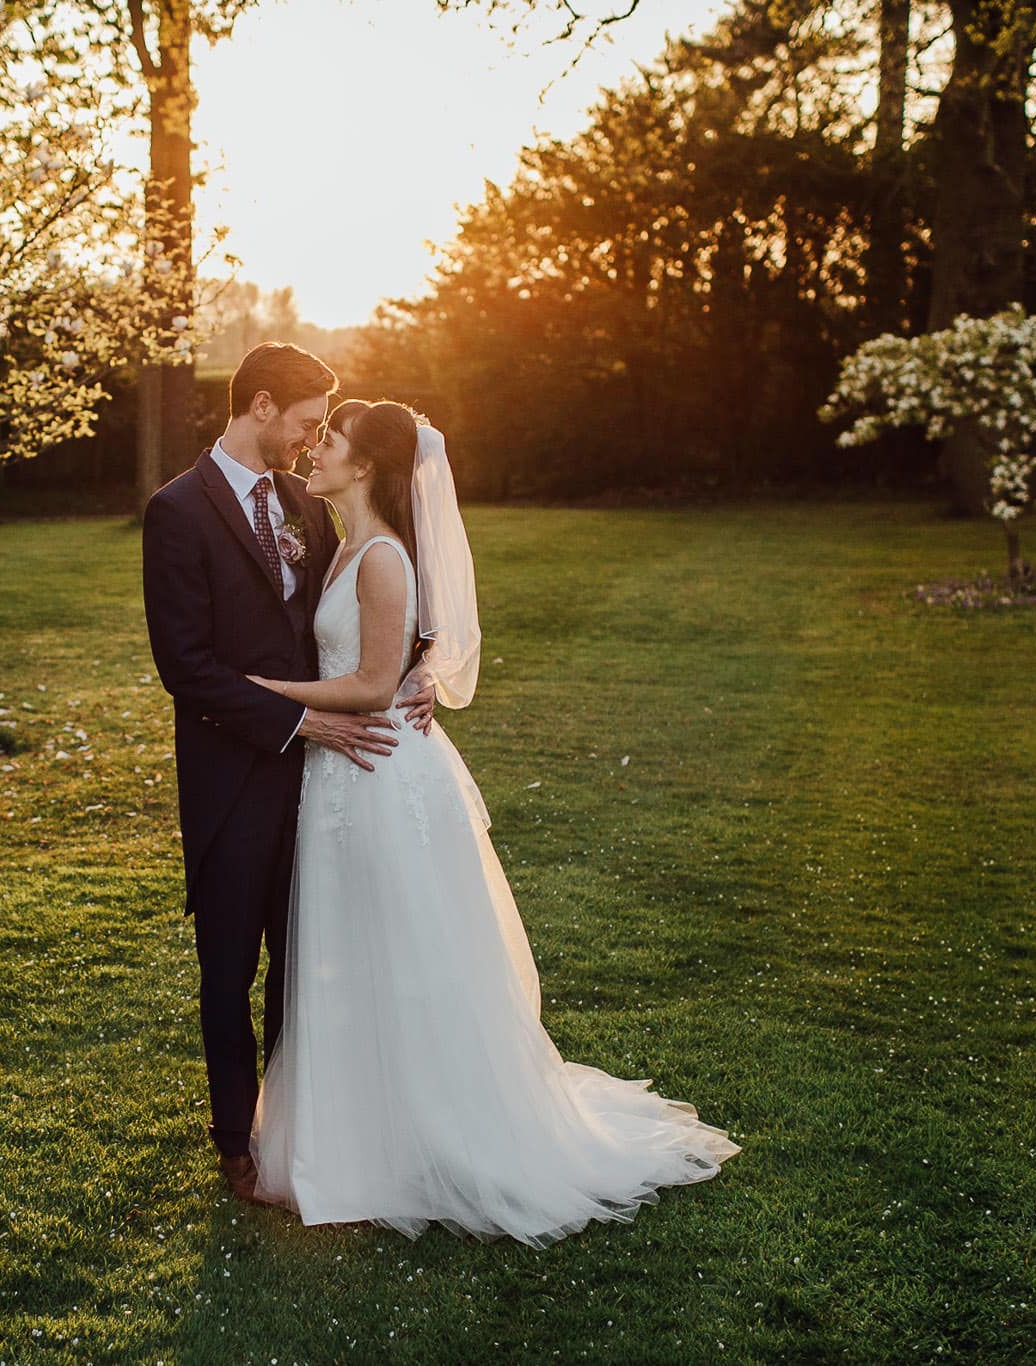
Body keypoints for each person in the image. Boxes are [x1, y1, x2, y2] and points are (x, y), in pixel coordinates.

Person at [244, 399, 740, 1247]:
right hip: (345, 778)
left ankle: (428, 1139)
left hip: (376, 778)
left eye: (330, 441)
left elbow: (368, 685)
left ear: (365, 466)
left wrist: (259, 693)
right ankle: (355, 1134)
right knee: (352, 954)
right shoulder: (344, 545)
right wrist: (419, 668)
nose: (313, 449)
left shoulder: (383, 559)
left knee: (401, 956)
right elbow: (402, 658)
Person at [140, 345, 440, 1203]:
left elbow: (375, 603)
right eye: (306, 423)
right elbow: (186, 667)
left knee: (305, 959)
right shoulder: (177, 512)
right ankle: (234, 1137)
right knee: (229, 966)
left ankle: (293, 1123)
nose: (312, 441)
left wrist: (419, 671)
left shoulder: (313, 507)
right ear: (262, 405)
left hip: (320, 785)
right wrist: (298, 717)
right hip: (233, 779)